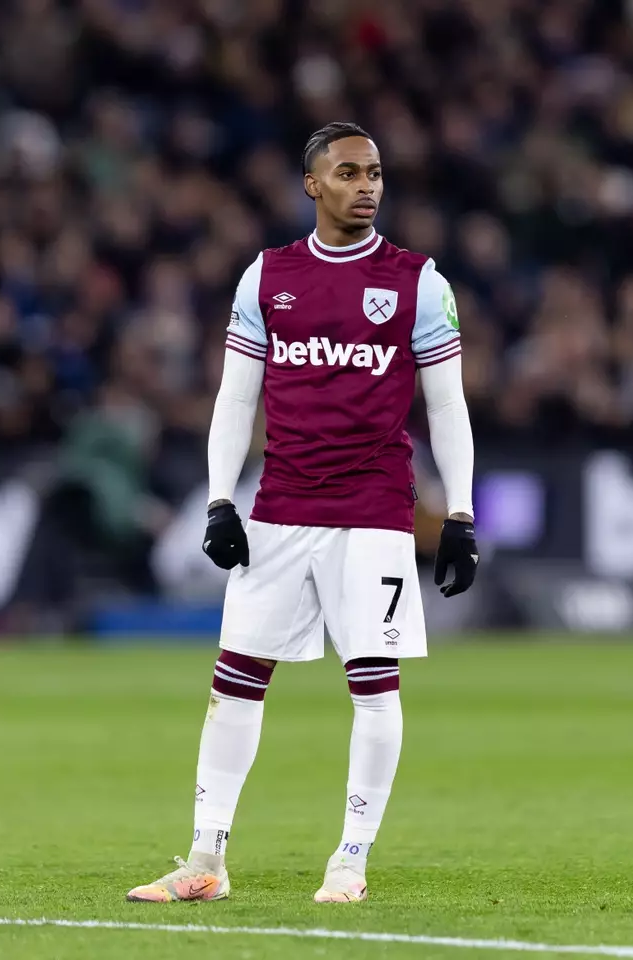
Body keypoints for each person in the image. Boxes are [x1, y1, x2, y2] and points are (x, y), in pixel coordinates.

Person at [126, 123, 478, 905]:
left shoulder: (420, 282)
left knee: (374, 686)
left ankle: (349, 859)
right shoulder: (268, 276)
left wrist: (459, 514)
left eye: (376, 172)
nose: (367, 185)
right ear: (313, 185)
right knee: (234, 682)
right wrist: (221, 498)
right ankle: (205, 858)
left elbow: (447, 405)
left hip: (375, 515)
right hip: (280, 508)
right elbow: (235, 397)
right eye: (349, 172)